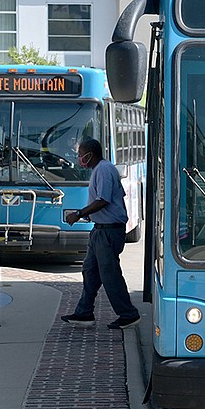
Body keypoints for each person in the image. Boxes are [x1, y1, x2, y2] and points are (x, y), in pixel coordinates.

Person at [61, 138, 140, 329]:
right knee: (90, 271)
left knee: (109, 274)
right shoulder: (99, 170)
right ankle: (84, 312)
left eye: (81, 155)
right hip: (100, 230)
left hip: (109, 231)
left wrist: (79, 213)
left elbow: (103, 200)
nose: (79, 158)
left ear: (91, 154)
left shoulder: (104, 170)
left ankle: (128, 314)